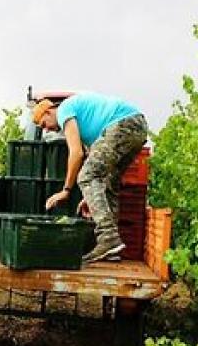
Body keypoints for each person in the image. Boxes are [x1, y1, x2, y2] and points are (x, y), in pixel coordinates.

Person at [33, 92, 148, 263]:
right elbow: (95, 163)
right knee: (109, 182)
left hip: (122, 124)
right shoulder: (86, 123)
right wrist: (91, 197)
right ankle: (111, 249)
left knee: (85, 177)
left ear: (49, 111)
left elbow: (76, 153)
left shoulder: (64, 110)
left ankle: (108, 237)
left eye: (44, 124)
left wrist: (66, 191)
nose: (47, 129)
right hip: (137, 126)